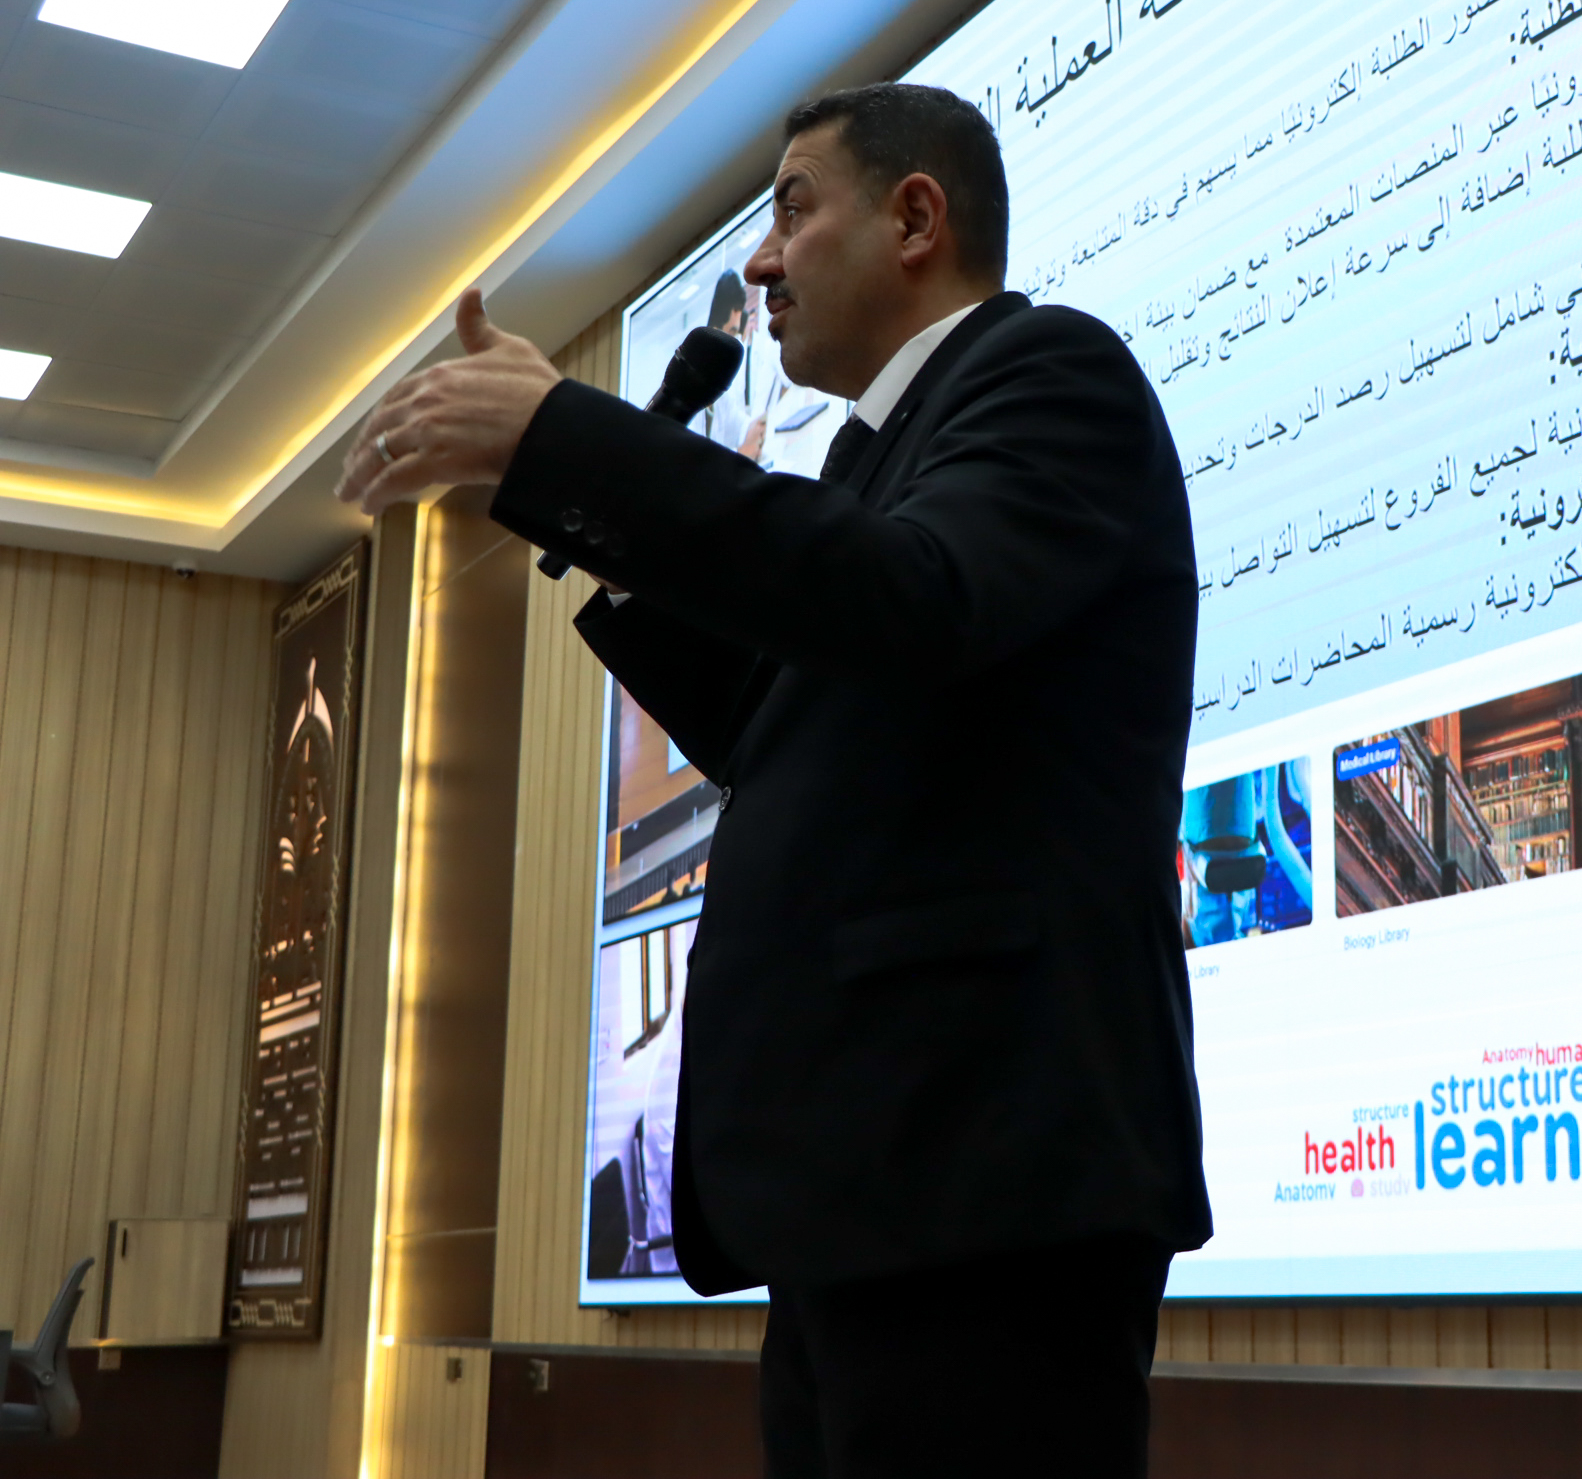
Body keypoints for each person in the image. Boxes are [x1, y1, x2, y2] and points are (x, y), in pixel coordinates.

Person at [335, 81, 1212, 1478]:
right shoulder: (873, 455)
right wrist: (593, 512)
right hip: (869, 1181)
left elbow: (917, 600)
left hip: (988, 1175)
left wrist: (568, 438)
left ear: (915, 218)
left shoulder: (1053, 372)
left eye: (792, 212)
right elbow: (776, 717)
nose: (756, 262)